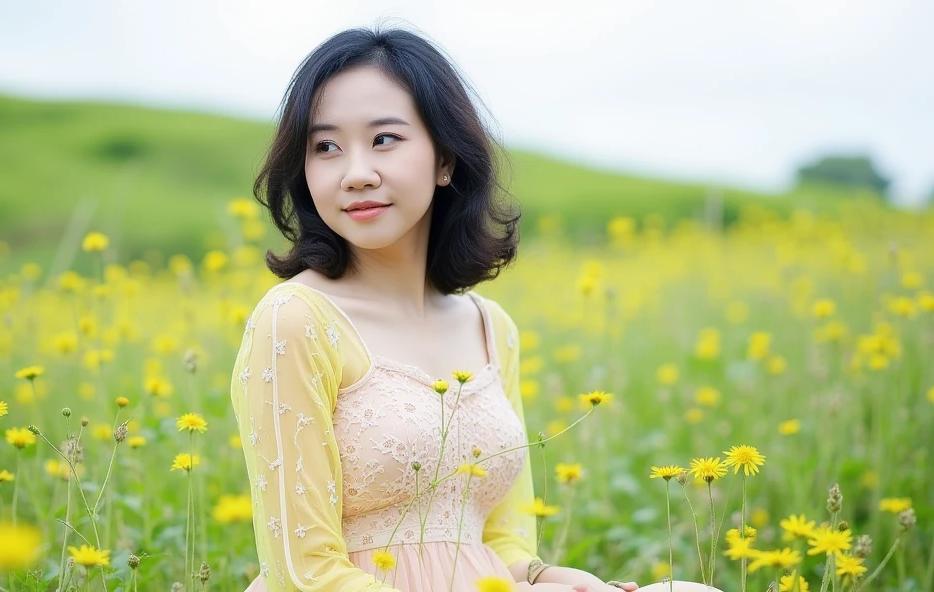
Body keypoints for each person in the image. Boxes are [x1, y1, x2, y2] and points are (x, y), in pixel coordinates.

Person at [230, 26, 717, 592]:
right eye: (326, 146)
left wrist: (551, 577)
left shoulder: (491, 328)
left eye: (385, 138)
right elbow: (304, 571)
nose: (356, 171)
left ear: (446, 159)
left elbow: (497, 542)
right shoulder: (294, 320)